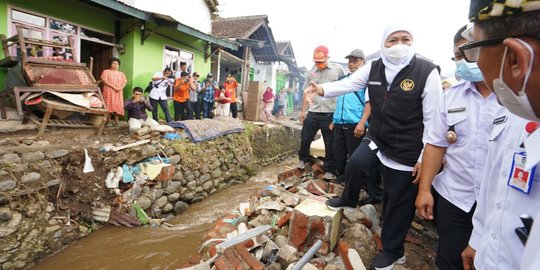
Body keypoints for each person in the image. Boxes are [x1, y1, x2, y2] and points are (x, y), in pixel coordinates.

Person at [305, 26, 442, 269]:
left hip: (408, 147)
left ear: (413, 42)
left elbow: (434, 122)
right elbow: (350, 83)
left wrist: (423, 157)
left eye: (405, 39)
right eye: (393, 40)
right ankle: (349, 198)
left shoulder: (426, 72)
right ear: (383, 43)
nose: (399, 44)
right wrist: (322, 89)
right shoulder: (374, 67)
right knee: (356, 162)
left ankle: (393, 251)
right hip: (378, 136)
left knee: (397, 202)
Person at [414, 25, 504, 270]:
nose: (463, 60)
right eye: (457, 55)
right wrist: (425, 190)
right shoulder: (451, 96)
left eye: (469, 52)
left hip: (501, 202)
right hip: (456, 197)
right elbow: (435, 144)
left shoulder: (515, 98)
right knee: (450, 259)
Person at [458, 1, 540, 269]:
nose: (477, 65)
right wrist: (480, 239)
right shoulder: (518, 111)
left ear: (516, 59)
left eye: (475, 50)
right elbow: (498, 182)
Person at [297, 45, 345, 180]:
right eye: (316, 62)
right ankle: (304, 159)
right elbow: (306, 94)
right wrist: (303, 111)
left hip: (330, 112)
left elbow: (344, 89)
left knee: (330, 143)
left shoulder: (338, 70)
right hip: (313, 111)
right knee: (305, 137)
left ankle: (330, 169)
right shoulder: (310, 73)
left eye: (321, 61)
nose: (318, 64)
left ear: (328, 57)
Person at [330, 49, 372, 184]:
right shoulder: (343, 80)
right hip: (339, 123)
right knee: (339, 152)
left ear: (363, 63)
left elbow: (369, 104)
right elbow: (339, 102)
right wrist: (334, 120)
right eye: (350, 61)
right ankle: (341, 175)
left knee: (354, 155)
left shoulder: (367, 82)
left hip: (355, 123)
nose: (351, 64)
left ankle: (355, 181)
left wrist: (362, 123)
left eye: (355, 61)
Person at [100, 57, 127, 126]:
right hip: (109, 91)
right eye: (113, 63)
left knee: (117, 106)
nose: (115, 65)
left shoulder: (121, 74)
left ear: (119, 65)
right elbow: (103, 80)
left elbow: (124, 82)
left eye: (117, 64)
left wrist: (120, 88)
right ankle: (108, 120)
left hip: (118, 92)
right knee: (108, 105)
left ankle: (116, 121)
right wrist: (114, 87)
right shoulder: (106, 71)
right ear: (110, 64)